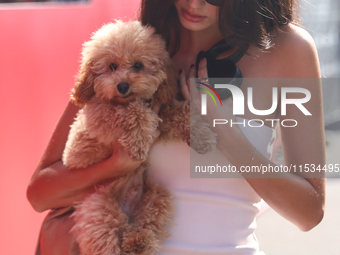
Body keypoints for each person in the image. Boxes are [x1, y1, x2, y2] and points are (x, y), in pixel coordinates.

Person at [27, 0, 326, 254]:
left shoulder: (289, 50)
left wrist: (228, 136)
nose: (194, 3)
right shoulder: (132, 48)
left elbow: (309, 213)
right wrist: (115, 166)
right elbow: (40, 194)